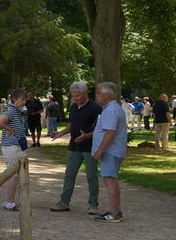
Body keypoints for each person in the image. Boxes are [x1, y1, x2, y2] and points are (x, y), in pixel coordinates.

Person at [49, 81, 100, 213]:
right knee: (69, 174)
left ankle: (93, 204)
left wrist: (87, 135)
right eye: (73, 96)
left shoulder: (95, 107)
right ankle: (64, 202)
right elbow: (72, 125)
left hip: (90, 147)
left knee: (91, 176)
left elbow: (102, 130)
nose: (76, 98)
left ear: (85, 94)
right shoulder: (73, 107)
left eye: (78, 96)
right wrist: (60, 133)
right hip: (74, 147)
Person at [92, 81, 129, 221]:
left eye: (99, 93)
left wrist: (100, 150)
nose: (97, 96)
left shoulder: (111, 110)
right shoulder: (112, 109)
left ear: (107, 95)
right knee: (110, 180)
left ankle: (115, 213)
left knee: (109, 180)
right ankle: (115, 210)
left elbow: (110, 132)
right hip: (113, 151)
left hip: (110, 151)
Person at [0, 87, 29, 209]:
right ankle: (9, 202)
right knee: (13, 175)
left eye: (25, 99)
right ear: (15, 100)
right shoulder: (11, 111)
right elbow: (0, 122)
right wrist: (10, 130)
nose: (24, 102)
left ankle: (12, 200)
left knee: (19, 174)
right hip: (11, 147)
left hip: (17, 146)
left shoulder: (18, 111)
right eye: (22, 99)